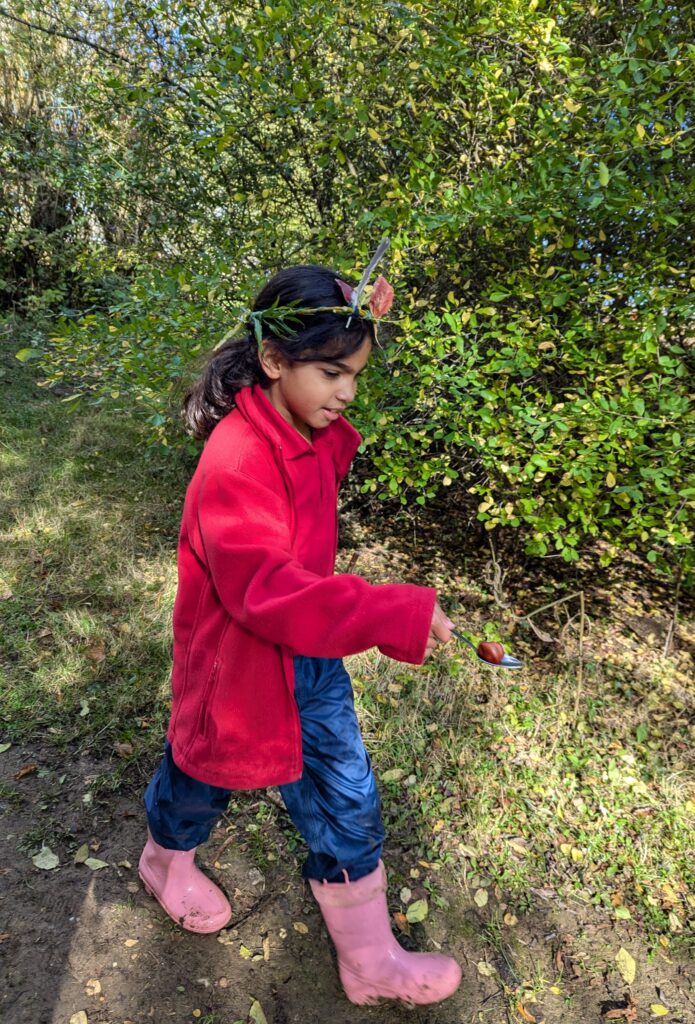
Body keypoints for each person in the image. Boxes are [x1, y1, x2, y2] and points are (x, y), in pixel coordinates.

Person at [139, 246, 462, 1007]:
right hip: (238, 665)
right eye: (332, 373)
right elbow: (267, 590)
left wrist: (358, 319)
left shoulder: (301, 428)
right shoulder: (237, 459)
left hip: (305, 656)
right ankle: (165, 859)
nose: (347, 394)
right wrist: (390, 609)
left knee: (346, 793)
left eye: (356, 374)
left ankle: (369, 960)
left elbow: (315, 503)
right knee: (202, 776)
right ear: (274, 358)